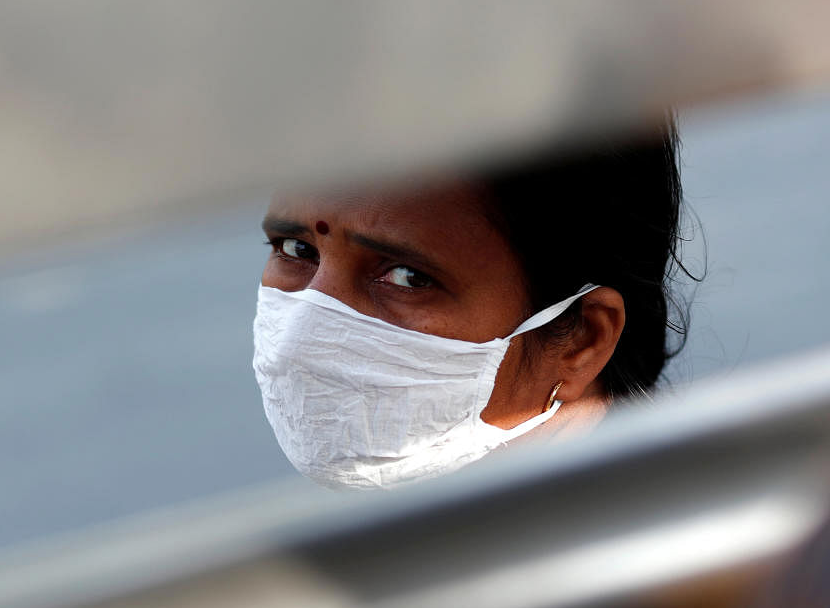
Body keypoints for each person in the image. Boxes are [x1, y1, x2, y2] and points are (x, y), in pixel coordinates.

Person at [252, 119, 691, 489]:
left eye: (407, 277)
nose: (301, 339)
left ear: (582, 340)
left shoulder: (692, 569)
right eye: (296, 249)